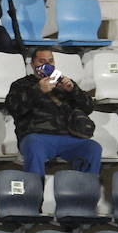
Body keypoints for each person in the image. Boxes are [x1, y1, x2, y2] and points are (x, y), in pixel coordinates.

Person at [6, 47, 101, 176]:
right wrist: (38, 90)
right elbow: (13, 108)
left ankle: (85, 191)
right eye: (42, 61)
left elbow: (89, 107)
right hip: (37, 136)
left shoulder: (63, 83)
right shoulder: (22, 84)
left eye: (50, 61)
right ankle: (35, 192)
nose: (47, 65)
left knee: (93, 148)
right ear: (32, 64)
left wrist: (73, 90)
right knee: (34, 145)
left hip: (68, 137)